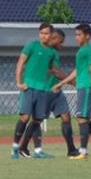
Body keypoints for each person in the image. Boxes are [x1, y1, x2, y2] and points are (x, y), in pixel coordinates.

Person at [51, 23, 91, 160]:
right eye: (76, 35)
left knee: (81, 118)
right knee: (85, 119)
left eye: (79, 35)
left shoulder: (89, 49)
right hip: (82, 86)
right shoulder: (82, 51)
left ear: (87, 36)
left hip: (87, 86)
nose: (76, 37)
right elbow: (78, 71)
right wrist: (62, 83)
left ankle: (82, 151)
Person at [20, 28, 80, 157]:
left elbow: (56, 71)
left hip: (56, 92)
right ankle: (23, 147)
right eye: (61, 41)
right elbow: (56, 72)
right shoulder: (43, 51)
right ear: (54, 39)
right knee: (37, 121)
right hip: (45, 91)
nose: (62, 45)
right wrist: (73, 82)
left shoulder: (54, 53)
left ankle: (71, 149)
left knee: (66, 117)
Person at [12, 22, 58, 160]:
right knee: (25, 117)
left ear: (51, 35)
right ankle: (15, 148)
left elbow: (51, 69)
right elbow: (20, 62)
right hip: (29, 87)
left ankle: (38, 151)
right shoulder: (31, 46)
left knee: (38, 120)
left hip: (43, 89)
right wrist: (19, 82)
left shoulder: (52, 52)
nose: (44, 36)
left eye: (47, 33)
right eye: (42, 33)